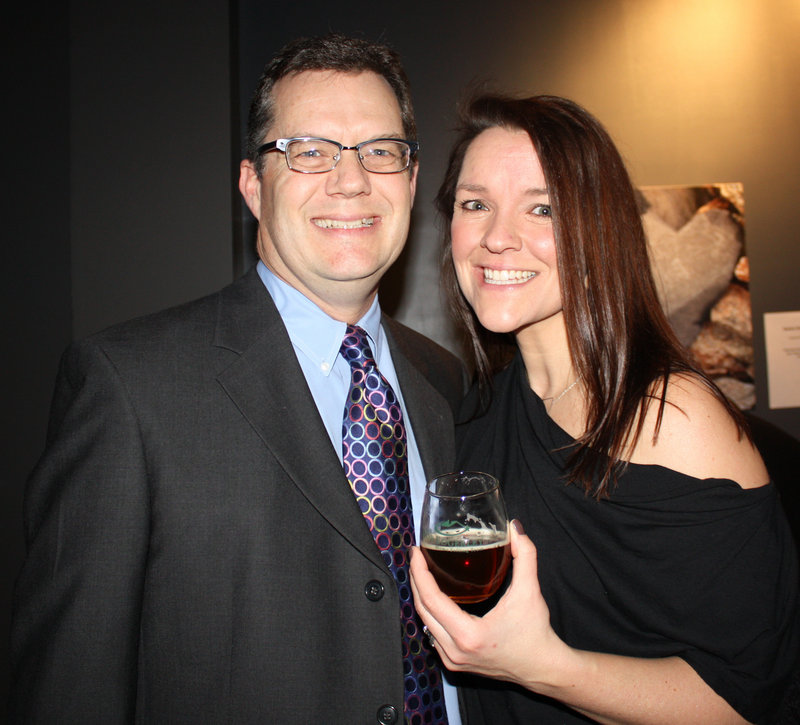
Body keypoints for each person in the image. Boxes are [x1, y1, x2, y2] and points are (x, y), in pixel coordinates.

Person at [10, 34, 466, 724]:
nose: (351, 180)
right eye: (309, 151)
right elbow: (69, 690)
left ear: (409, 179)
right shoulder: (129, 388)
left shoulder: (446, 380)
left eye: (380, 151)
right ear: (253, 185)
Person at [409, 93, 799, 724]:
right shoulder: (475, 412)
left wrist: (543, 666)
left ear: (599, 230)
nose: (496, 238)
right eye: (474, 204)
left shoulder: (674, 418)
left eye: (542, 209)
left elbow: (744, 700)